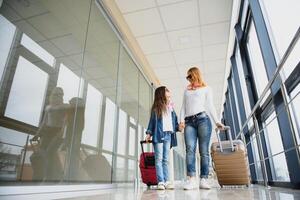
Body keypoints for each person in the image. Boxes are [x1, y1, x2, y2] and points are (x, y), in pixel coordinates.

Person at [180, 67, 225, 190]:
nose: (189, 80)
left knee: (204, 151)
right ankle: (191, 179)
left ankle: (203, 179)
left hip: (203, 120)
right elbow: (183, 107)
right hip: (189, 122)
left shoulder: (206, 89)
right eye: (187, 77)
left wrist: (217, 122)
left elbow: (210, 106)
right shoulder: (186, 90)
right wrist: (181, 121)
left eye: (190, 77)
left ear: (196, 75)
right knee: (190, 150)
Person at [145, 86, 181, 190]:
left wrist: (179, 127)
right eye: (166, 91)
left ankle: (167, 181)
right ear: (161, 94)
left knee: (166, 160)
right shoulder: (156, 109)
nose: (169, 92)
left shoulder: (171, 108)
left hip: (168, 135)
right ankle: (161, 182)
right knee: (159, 159)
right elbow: (152, 122)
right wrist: (148, 133)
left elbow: (174, 123)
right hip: (159, 135)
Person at [31, 87, 69, 181]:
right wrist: (37, 134)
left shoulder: (65, 106)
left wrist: (62, 133)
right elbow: (44, 123)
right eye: (56, 94)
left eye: (60, 94)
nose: (58, 96)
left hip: (58, 132)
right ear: (52, 95)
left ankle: (53, 176)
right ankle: (48, 175)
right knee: (42, 154)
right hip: (47, 132)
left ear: (62, 96)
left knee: (50, 153)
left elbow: (66, 121)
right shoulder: (48, 107)